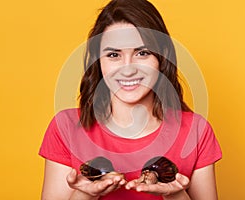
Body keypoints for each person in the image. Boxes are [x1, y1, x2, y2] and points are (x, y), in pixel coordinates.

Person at [39, 0, 222, 199]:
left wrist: (175, 194)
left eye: (142, 53)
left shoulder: (196, 131)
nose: (128, 69)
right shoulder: (66, 127)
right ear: (98, 61)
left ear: (162, 57)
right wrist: (86, 194)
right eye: (113, 54)